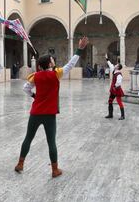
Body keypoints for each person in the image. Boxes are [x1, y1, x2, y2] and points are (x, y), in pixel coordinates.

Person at [14, 37, 89, 178]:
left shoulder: (35, 76)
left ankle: (20, 164)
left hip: (35, 112)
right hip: (49, 114)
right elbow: (71, 64)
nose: (54, 60)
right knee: (51, 142)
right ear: (49, 63)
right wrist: (80, 49)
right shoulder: (56, 74)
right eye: (52, 59)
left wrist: (34, 97)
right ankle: (54, 170)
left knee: (28, 138)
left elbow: (25, 88)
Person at [105, 53, 125, 120]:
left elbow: (119, 82)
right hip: (113, 90)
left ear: (118, 67)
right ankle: (110, 114)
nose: (115, 65)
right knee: (110, 101)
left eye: (116, 65)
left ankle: (123, 115)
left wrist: (115, 86)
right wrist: (107, 59)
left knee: (119, 101)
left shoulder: (119, 74)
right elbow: (110, 65)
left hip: (117, 89)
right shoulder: (114, 70)